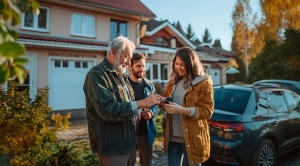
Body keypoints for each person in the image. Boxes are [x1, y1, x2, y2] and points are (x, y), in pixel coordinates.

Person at [83, 36, 162, 166]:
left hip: (129, 144)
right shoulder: (97, 75)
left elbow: (128, 107)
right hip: (113, 147)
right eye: (126, 57)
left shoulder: (122, 77)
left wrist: (139, 113)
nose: (129, 63)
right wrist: (143, 103)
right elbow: (107, 110)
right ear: (113, 53)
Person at [160, 47, 214, 166]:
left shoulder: (203, 83)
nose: (178, 67)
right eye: (176, 64)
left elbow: (207, 111)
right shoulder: (173, 81)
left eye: (182, 64)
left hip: (192, 139)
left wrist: (182, 110)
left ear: (191, 64)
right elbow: (165, 100)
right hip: (172, 138)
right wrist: (162, 101)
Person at [128, 53, 160, 166]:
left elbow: (156, 106)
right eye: (138, 66)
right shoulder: (124, 85)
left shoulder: (149, 85)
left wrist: (151, 112)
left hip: (146, 133)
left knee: (147, 163)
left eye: (143, 66)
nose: (141, 69)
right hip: (128, 133)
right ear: (130, 67)